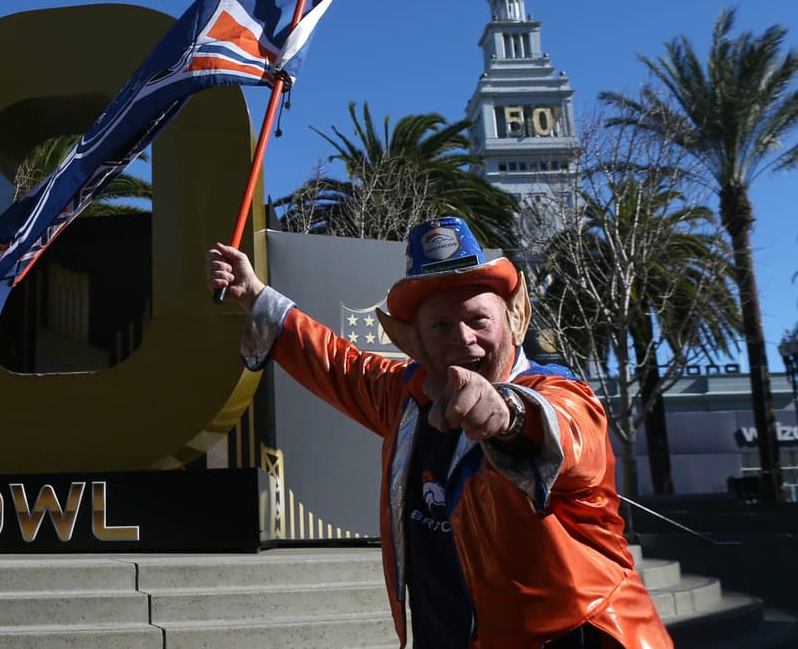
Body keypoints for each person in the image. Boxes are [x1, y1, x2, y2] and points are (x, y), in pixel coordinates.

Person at [207, 216, 672, 649]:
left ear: (512, 320)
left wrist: (507, 414)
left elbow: (568, 432)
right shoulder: (404, 396)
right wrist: (254, 295)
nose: (463, 339)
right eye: (442, 326)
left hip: (583, 637)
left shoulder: (560, 393)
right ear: (414, 340)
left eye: (478, 320)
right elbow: (336, 363)